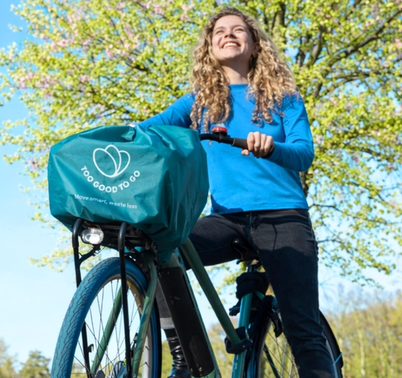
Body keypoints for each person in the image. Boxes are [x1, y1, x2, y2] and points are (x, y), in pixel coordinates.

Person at [138, 7, 336, 378]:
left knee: (303, 331)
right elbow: (147, 132)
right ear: (210, 48)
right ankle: (185, 357)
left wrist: (271, 147)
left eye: (238, 30)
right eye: (219, 33)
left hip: (283, 218)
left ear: (254, 43)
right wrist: (110, 142)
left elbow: (304, 153)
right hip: (226, 219)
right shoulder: (198, 103)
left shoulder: (284, 98)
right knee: (157, 245)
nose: (228, 35)